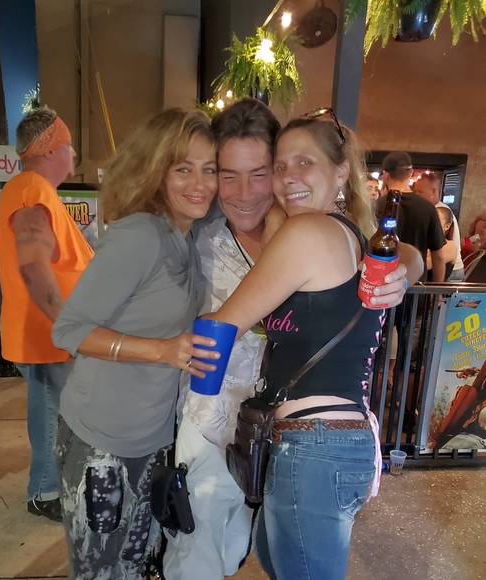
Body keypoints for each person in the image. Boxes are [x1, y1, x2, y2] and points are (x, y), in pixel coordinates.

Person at [163, 100, 421, 580]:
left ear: (341, 172)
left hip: (310, 442)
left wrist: (408, 267)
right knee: (262, 557)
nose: (287, 178)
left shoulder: (306, 230)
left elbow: (221, 328)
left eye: (299, 164)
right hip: (277, 437)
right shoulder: (326, 231)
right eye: (281, 166)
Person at [51, 108, 220, 579]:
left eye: (209, 169)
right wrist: (162, 350)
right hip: (102, 438)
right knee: (99, 571)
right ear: (156, 170)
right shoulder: (140, 236)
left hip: (153, 437)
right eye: (183, 168)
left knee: (136, 566)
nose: (200, 183)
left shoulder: (187, 234)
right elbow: (68, 329)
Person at [0, 107, 94, 521]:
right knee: (53, 412)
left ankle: (49, 485)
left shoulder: (31, 189)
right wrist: (69, 328)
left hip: (46, 331)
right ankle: (45, 491)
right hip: (48, 333)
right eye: (69, 145)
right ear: (51, 149)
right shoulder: (32, 189)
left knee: (53, 410)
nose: (74, 153)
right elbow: (34, 267)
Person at [379, 152, 447, 282]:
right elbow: (438, 256)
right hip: (418, 284)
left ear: (385, 174)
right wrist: (436, 289)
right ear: (411, 173)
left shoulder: (375, 207)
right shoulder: (428, 208)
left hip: (385, 283)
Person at [413, 171, 464, 281]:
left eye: (420, 191)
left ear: (433, 191)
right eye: (415, 191)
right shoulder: (428, 210)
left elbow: (439, 255)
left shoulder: (439, 211)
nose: (416, 195)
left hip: (451, 270)